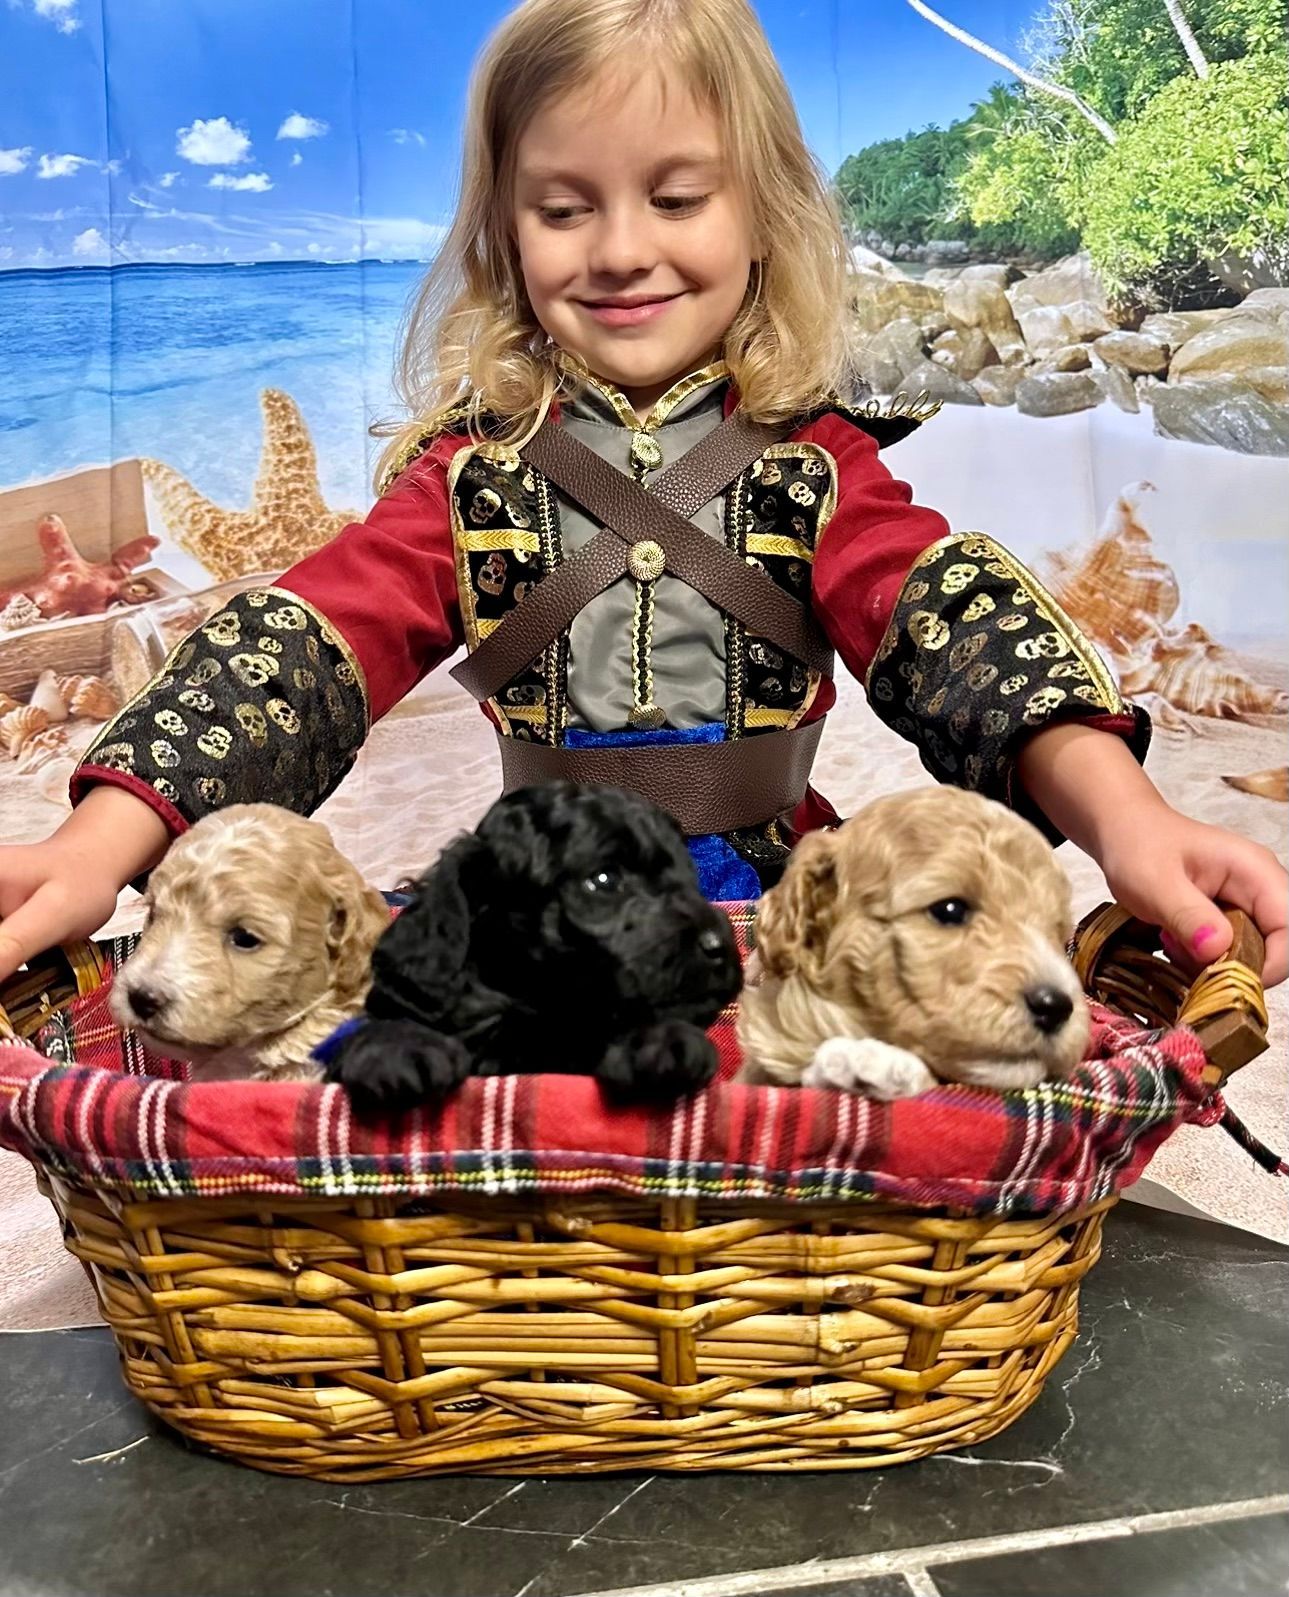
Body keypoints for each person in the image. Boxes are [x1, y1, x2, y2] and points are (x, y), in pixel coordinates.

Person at [0, 0, 1283, 992]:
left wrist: (1129, 822)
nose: (619, 249)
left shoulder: (815, 464)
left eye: (675, 198)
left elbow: (947, 633)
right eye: (564, 208)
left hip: (779, 904)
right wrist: (91, 851)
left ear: (763, 218)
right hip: (532, 899)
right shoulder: (465, 476)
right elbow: (297, 657)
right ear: (503, 234)